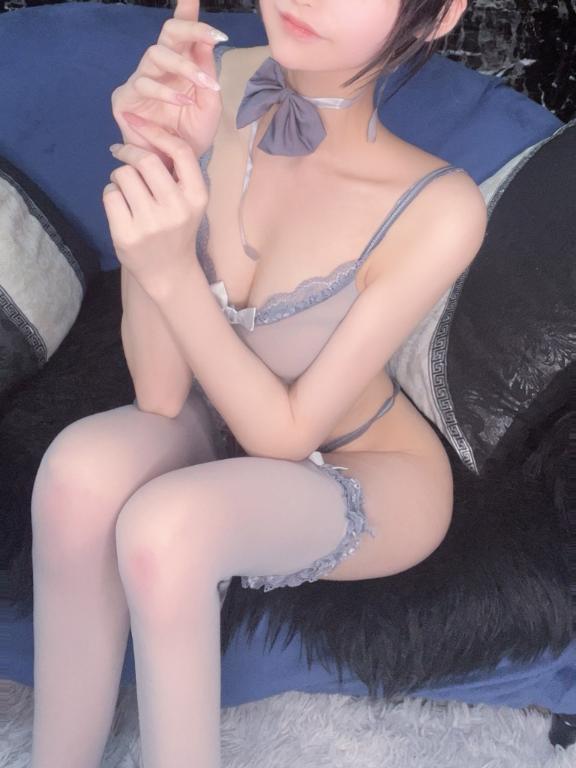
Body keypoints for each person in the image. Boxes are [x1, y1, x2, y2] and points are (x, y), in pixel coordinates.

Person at [29, 0, 488, 766]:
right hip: (222, 415)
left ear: (439, 16)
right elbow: (161, 393)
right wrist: (160, 158)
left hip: (369, 467)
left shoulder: (440, 208)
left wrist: (175, 270)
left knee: (169, 529)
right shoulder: (214, 84)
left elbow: (285, 436)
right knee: (78, 473)